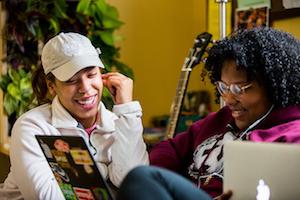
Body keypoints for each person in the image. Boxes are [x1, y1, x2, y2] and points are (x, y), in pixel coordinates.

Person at [118, 27, 300, 200]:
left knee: (141, 178)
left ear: (273, 87)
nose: (229, 99)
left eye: (240, 89)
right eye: (223, 87)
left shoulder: (292, 137)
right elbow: (170, 148)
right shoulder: (221, 119)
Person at [0, 32, 148, 199]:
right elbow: (46, 197)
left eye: (91, 74)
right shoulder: (32, 127)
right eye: (71, 80)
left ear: (102, 75)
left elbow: (134, 185)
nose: (85, 88)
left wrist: (127, 110)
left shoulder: (119, 123)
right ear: (52, 86)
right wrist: (103, 171)